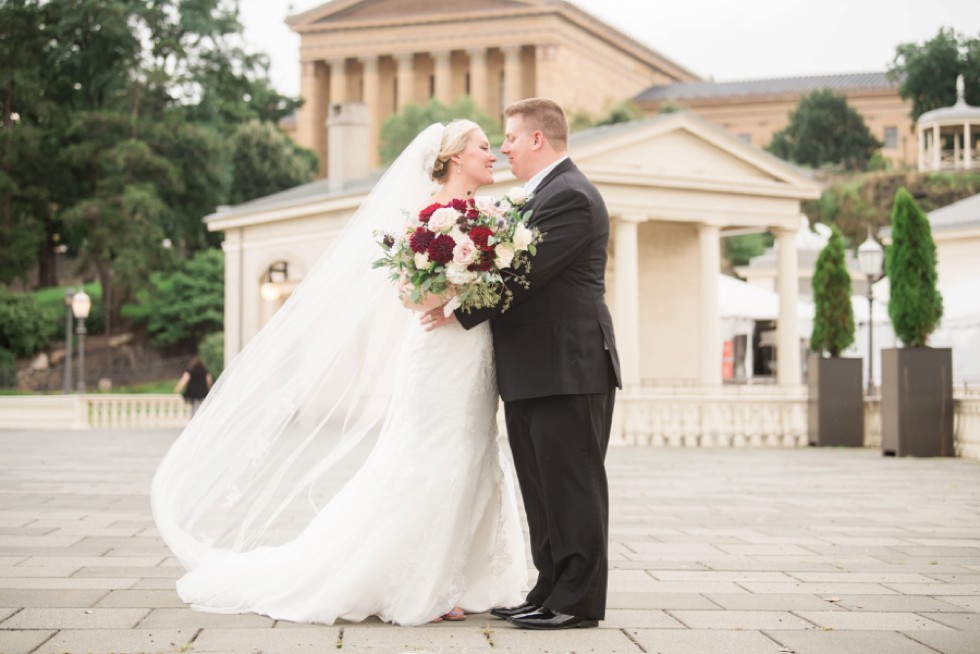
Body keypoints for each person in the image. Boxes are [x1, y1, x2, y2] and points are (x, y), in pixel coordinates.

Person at [151, 120, 526, 626]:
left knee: (474, 453)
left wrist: (475, 286)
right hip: (437, 355)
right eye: (484, 146)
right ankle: (419, 582)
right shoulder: (424, 215)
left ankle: (469, 577)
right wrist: (456, 284)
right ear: (456, 156)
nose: (494, 154)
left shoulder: (493, 216)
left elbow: (503, 293)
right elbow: (409, 296)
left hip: (477, 355)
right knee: (431, 459)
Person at [423, 98, 622, 630]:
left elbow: (522, 277)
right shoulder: (541, 195)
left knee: (573, 487)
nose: (504, 146)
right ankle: (549, 588)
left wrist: (455, 309)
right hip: (535, 369)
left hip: (568, 366)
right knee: (542, 489)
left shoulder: (572, 197)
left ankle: (576, 603)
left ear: (538, 139)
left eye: (509, 137)